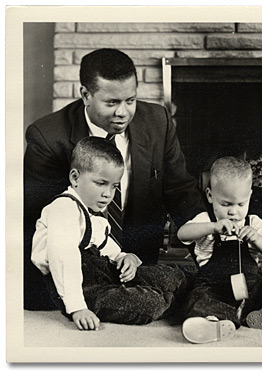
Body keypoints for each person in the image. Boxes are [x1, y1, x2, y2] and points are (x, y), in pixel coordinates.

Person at [24, 48, 205, 310]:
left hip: (135, 260)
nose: (123, 112)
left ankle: (223, 301)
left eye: (130, 100)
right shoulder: (48, 137)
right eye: (111, 103)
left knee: (180, 279)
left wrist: (209, 246)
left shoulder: (157, 122)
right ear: (85, 94)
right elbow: (41, 219)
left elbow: (180, 190)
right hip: (79, 270)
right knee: (151, 301)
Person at [31, 137, 187, 330]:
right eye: (101, 183)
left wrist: (125, 257)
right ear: (75, 177)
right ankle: (183, 302)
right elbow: (63, 259)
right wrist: (77, 307)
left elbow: (107, 248)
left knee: (170, 275)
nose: (108, 194)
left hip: (101, 272)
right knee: (148, 304)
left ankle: (184, 292)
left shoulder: (91, 215)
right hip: (75, 287)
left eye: (114, 186)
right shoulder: (63, 208)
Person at [177, 156, 262, 344]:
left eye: (241, 204)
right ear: (210, 196)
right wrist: (212, 227)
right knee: (198, 297)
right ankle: (211, 322)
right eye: (226, 204)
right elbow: (182, 234)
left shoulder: (253, 222)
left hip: (250, 288)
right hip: (215, 289)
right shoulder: (206, 220)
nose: (233, 212)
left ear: (249, 197)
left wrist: (257, 238)